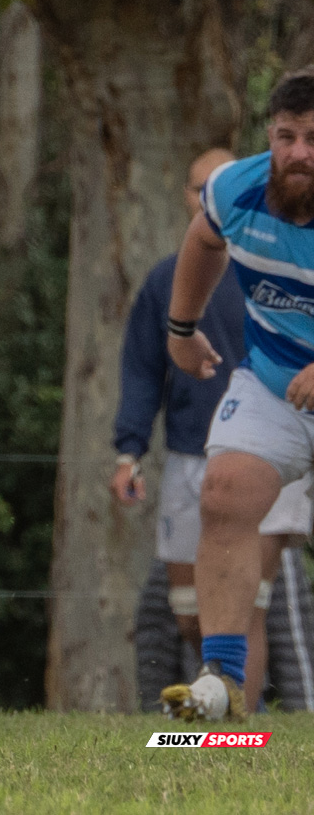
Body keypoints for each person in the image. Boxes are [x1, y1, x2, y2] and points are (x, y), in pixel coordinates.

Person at [111, 148, 314, 712]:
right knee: (193, 598)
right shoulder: (180, 267)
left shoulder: (270, 244)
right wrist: (129, 449)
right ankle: (224, 702)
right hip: (215, 437)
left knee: (258, 604)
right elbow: (143, 368)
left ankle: (266, 706)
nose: (298, 151)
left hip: (291, 419)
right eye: (286, 134)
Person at [162, 68, 314, 722]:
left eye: (313, 138)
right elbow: (204, 239)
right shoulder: (234, 188)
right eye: (286, 136)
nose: (299, 153)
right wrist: (182, 328)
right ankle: (222, 685)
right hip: (277, 382)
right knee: (224, 491)